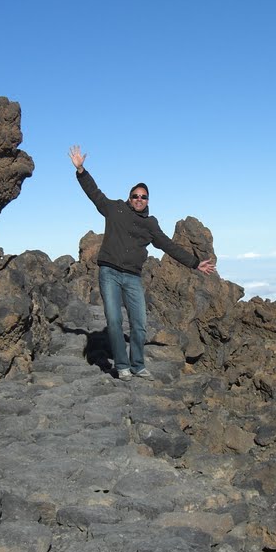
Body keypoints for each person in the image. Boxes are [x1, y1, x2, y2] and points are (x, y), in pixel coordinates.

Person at [69, 144, 216, 382]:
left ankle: (138, 365)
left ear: (148, 201)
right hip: (109, 272)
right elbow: (94, 193)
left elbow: (169, 246)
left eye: (143, 197)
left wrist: (195, 263)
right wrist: (81, 170)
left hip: (132, 277)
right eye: (135, 195)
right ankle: (122, 366)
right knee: (114, 320)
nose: (139, 199)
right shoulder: (115, 208)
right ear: (129, 197)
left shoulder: (151, 225)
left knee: (139, 324)